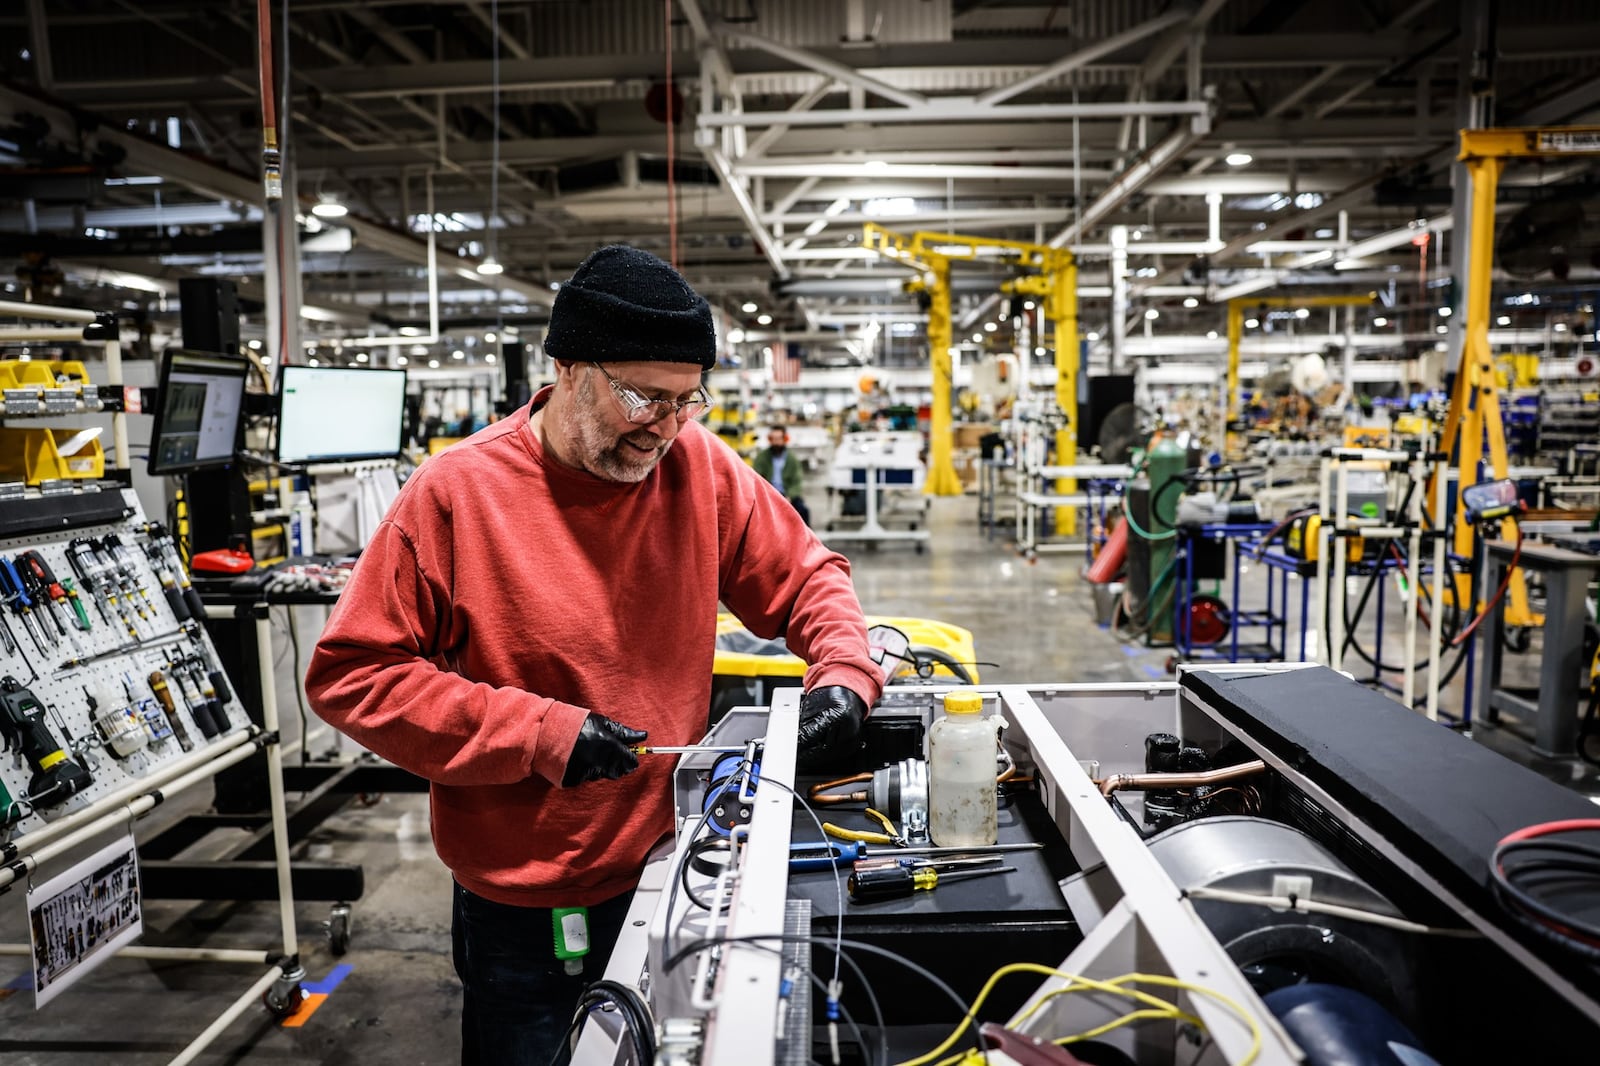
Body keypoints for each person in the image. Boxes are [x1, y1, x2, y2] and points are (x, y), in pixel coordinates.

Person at [304, 244, 881, 1066]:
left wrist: (847, 675)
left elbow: (807, 579)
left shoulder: (699, 471)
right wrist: (537, 733)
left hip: (669, 870)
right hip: (517, 909)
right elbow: (353, 677)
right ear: (568, 368)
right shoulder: (457, 496)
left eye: (689, 402)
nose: (666, 427)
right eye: (644, 397)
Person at [751, 425, 810, 526]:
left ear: (785, 439)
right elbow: (755, 479)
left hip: (787, 495)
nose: (776, 442)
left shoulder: (792, 459)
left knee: (803, 511)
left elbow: (797, 482)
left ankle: (805, 540)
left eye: (779, 439)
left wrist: (790, 496)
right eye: (773, 439)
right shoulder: (762, 458)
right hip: (768, 495)